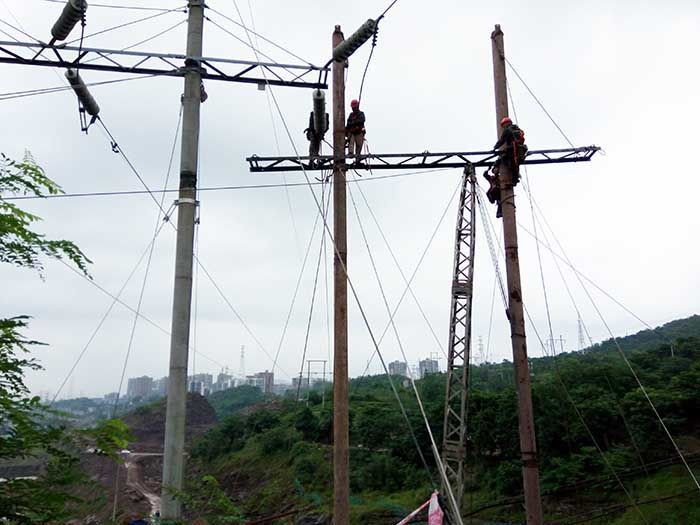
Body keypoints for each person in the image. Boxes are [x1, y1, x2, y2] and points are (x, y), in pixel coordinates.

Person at [493, 116, 527, 185]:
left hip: (512, 149)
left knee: (508, 161)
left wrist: (495, 148)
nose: (503, 127)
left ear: (505, 124)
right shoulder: (517, 129)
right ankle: (515, 179)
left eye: (503, 125)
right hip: (520, 149)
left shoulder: (508, 130)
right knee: (516, 164)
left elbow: (502, 140)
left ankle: (513, 180)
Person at [345, 99, 366, 164]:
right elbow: (348, 123)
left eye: (354, 107)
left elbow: (362, 120)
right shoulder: (351, 115)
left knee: (359, 145)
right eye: (353, 108)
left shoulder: (361, 114)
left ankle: (358, 158)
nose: (353, 109)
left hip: (359, 132)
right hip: (352, 133)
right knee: (351, 141)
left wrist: (354, 122)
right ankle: (350, 153)